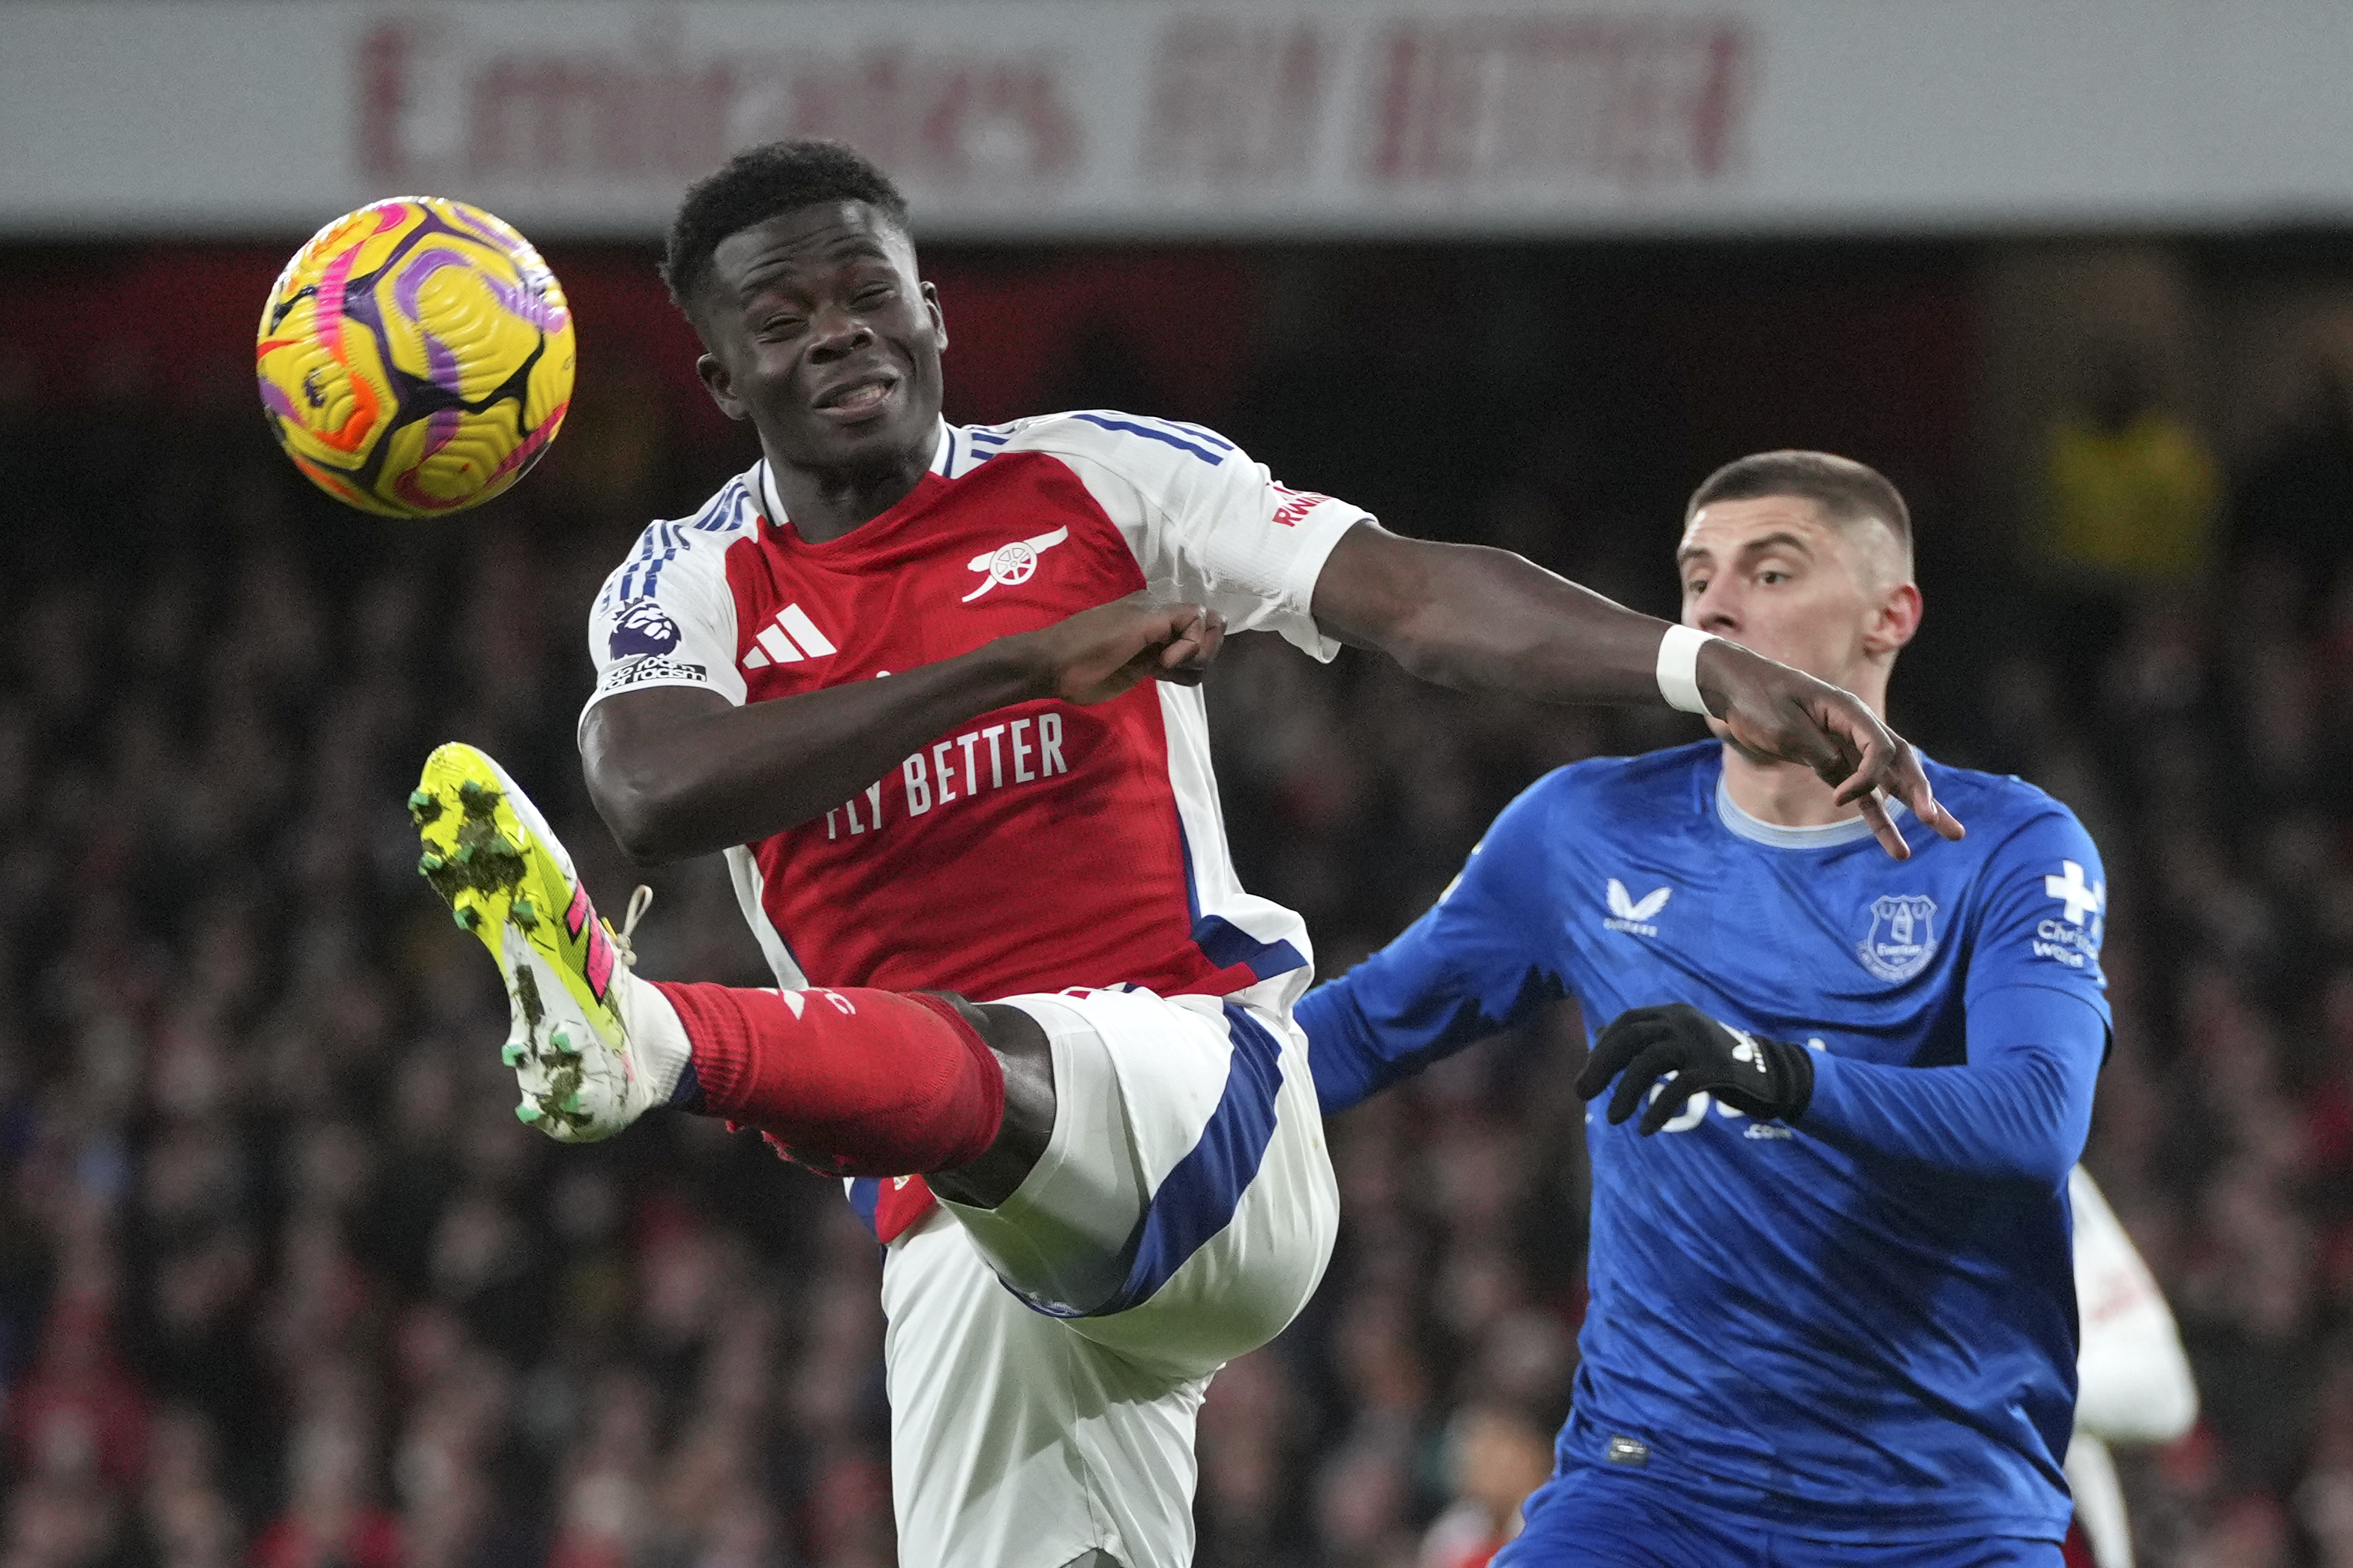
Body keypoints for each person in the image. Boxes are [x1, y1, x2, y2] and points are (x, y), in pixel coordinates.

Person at [407, 142, 1959, 1568]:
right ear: (720, 371)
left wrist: (1699, 666)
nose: (838, 332)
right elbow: (650, 789)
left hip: (1207, 1101)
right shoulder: (689, 577)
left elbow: (1409, 595)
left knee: (977, 1046)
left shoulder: (1103, 475)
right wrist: (1025, 664)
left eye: (870, 291)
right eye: (783, 314)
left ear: (936, 313)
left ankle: (658, 1030)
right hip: (961, 1227)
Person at [1299, 451, 2108, 1565]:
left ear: (1890, 616)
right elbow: (1349, 1035)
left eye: (1770, 574)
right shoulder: (1583, 828)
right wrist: (1095, 1108)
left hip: (1934, 1503)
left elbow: (2033, 1121)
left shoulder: (2008, 845)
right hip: (1654, 1495)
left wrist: (1769, 1072)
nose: (1718, 606)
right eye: (1696, 578)